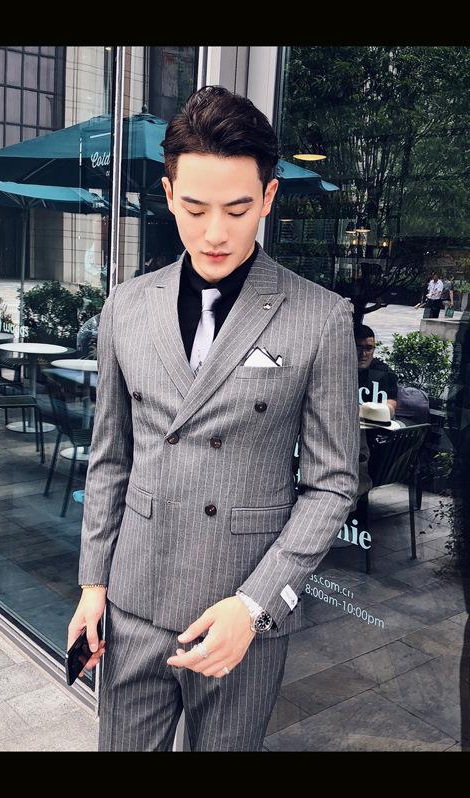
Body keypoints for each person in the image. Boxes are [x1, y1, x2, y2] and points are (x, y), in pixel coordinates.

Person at [69, 85, 359, 751]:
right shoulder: (125, 308)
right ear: (169, 195)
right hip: (133, 602)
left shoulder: (319, 317)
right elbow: (110, 457)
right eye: (196, 209)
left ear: (269, 197)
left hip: (238, 613)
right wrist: (92, 584)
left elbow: (333, 484)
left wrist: (257, 604)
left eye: (237, 208)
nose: (216, 233)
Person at [354, 323, 398, 418]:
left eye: (369, 348)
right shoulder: (338, 372)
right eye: (358, 348)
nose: (363, 354)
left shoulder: (385, 373)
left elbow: (390, 408)